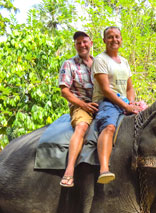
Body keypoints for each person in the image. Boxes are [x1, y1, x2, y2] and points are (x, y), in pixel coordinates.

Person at [92, 26, 142, 184]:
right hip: (108, 102)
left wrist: (132, 103)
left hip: (125, 102)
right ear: (104, 40)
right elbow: (106, 90)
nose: (114, 40)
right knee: (109, 127)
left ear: (121, 39)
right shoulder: (100, 60)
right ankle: (104, 169)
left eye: (117, 37)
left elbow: (130, 87)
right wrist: (126, 107)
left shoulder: (124, 62)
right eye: (110, 37)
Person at [58, 31, 98, 187]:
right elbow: (64, 91)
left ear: (91, 43)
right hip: (80, 106)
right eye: (78, 43)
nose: (82, 45)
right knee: (81, 127)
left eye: (85, 42)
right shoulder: (69, 64)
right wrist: (83, 105)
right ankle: (69, 172)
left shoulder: (99, 63)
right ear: (75, 46)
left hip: (100, 104)